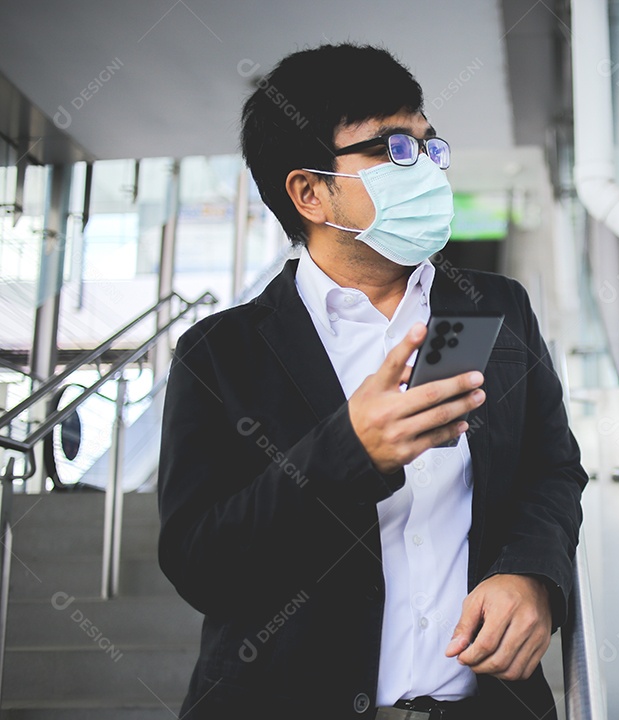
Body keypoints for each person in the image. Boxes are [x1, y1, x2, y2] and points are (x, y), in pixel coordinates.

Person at [157, 43, 587, 719]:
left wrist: (533, 574)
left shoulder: (492, 308)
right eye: (391, 149)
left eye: (427, 143)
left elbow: (551, 470)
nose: (425, 168)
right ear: (309, 191)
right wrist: (349, 451)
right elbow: (201, 562)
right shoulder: (221, 354)